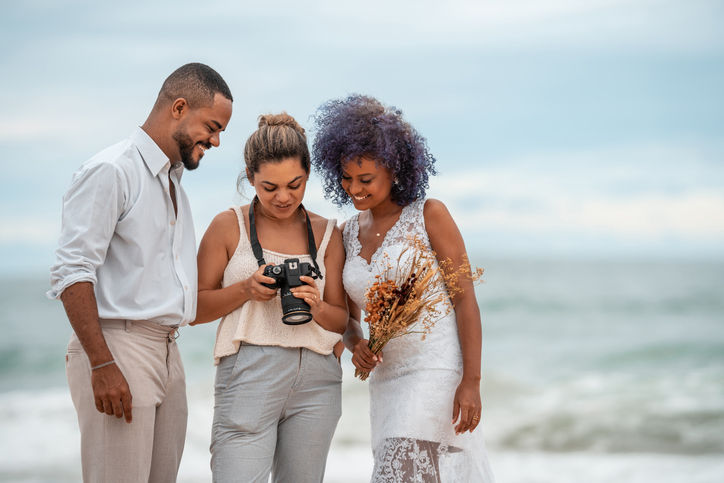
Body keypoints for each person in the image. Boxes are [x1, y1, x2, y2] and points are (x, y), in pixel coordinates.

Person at [48, 63, 233, 483]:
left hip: (168, 350)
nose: (217, 141)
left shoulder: (174, 187)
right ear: (179, 107)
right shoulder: (112, 170)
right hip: (119, 348)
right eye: (212, 126)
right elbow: (72, 272)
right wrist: (102, 364)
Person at [312, 95, 495, 482]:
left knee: (400, 468)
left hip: (436, 371)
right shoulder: (346, 233)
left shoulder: (430, 215)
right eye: (346, 178)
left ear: (394, 170)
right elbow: (349, 317)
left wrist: (472, 382)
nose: (353, 189)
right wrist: (356, 343)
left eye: (365, 180)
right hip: (386, 381)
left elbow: (465, 301)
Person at [193, 112, 347, 482]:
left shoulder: (328, 233)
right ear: (250, 177)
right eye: (269, 187)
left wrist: (317, 304)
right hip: (248, 371)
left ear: (308, 173)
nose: (283, 197)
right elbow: (193, 309)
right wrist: (246, 290)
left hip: (317, 377)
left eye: (295, 185)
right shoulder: (227, 226)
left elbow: (342, 320)